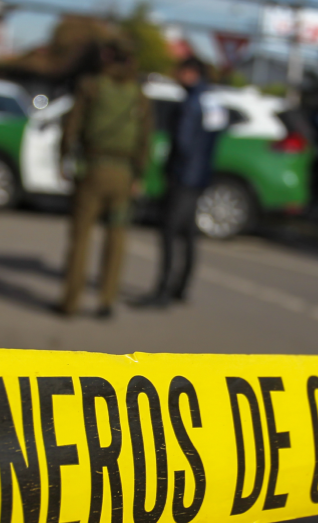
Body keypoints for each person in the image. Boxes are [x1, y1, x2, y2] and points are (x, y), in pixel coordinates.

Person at [56, 38, 153, 319]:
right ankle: (106, 301)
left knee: (81, 238)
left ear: (108, 58)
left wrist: (64, 158)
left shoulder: (91, 86)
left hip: (93, 169)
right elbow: (145, 139)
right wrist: (139, 174)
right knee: (117, 238)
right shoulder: (139, 94)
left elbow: (71, 126)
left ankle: (70, 302)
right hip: (123, 174)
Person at [138, 56, 221, 308]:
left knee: (170, 231)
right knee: (187, 233)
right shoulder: (212, 100)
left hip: (183, 176)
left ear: (190, 73)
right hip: (200, 175)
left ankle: (163, 291)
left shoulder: (191, 102)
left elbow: (183, 141)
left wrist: (171, 168)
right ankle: (182, 287)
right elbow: (215, 136)